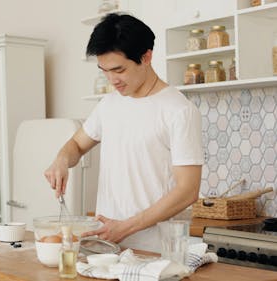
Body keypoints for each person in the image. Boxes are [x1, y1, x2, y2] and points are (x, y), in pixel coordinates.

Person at [44, 13, 203, 252]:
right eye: (104, 70)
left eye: (119, 69)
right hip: (105, 247)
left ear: (146, 57)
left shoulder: (179, 111)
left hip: (153, 252)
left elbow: (187, 191)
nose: (111, 80)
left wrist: (126, 227)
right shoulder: (109, 104)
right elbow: (76, 145)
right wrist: (61, 160)